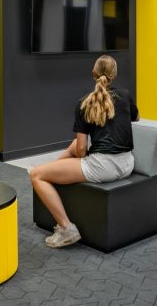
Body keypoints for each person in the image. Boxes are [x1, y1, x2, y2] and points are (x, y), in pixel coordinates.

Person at [29, 54, 139, 248]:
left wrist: (88, 157)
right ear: (114, 75)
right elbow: (136, 119)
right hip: (127, 163)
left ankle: (66, 228)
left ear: (93, 74)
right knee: (72, 146)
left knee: (36, 175)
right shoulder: (126, 94)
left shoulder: (84, 103)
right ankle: (51, 170)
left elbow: (81, 150)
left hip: (104, 168)